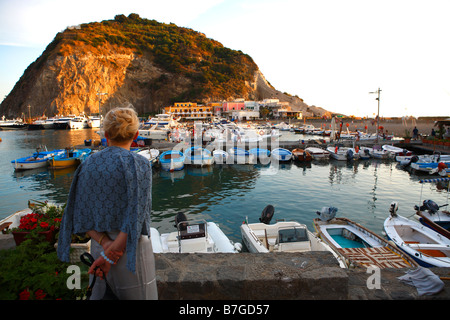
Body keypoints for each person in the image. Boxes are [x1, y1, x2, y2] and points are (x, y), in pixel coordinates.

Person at [57, 107, 158, 300]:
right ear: (136, 135)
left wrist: (106, 245)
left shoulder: (88, 164)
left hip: (100, 247)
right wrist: (116, 250)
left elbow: (79, 213)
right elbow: (137, 215)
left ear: (106, 134)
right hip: (132, 251)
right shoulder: (141, 164)